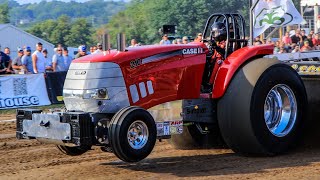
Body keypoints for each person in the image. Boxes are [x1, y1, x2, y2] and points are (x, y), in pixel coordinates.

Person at [202, 22, 227, 92]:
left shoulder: (227, 42)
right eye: (213, 33)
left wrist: (215, 47)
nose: (213, 35)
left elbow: (224, 52)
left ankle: (210, 84)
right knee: (204, 61)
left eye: (215, 33)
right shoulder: (216, 42)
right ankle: (203, 83)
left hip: (224, 61)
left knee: (218, 61)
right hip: (214, 59)